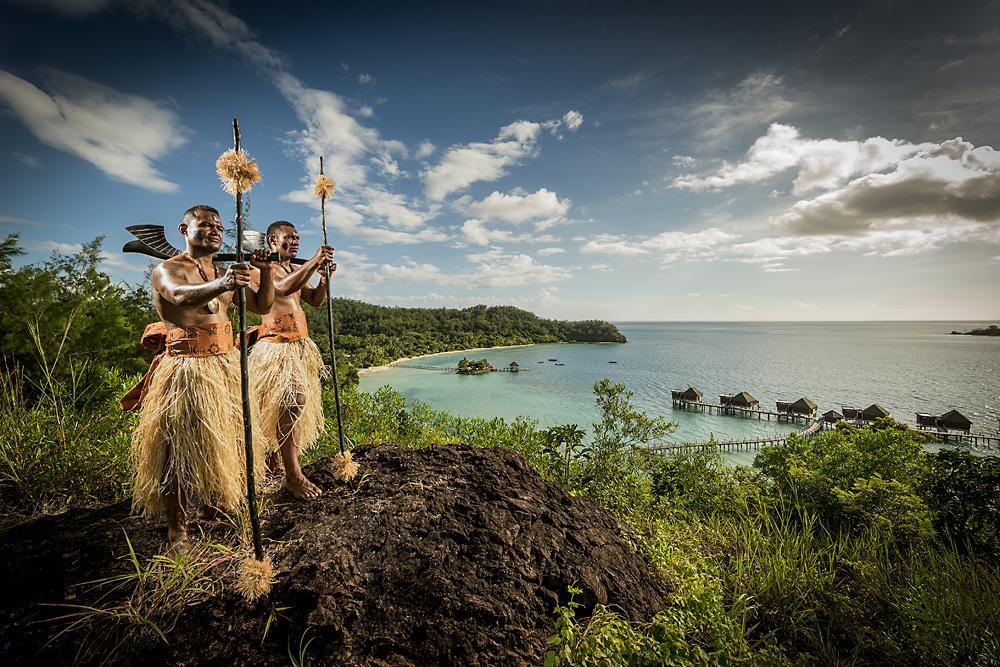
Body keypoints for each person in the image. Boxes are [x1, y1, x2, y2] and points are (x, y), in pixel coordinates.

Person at [127, 205, 274, 551]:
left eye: (219, 226)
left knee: (228, 438)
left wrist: (264, 271)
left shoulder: (222, 272)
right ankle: (177, 528)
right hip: (187, 369)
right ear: (184, 229)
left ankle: (213, 500)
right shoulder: (167, 269)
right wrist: (223, 282)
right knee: (175, 450)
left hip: (225, 365)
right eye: (205, 225)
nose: (215, 231)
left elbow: (262, 307)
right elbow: (179, 296)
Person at [247, 220, 334, 499]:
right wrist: (315, 260)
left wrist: (323, 279)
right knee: (292, 400)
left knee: (285, 408)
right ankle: (293, 476)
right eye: (288, 237)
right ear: (272, 240)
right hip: (276, 347)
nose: (294, 241)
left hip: (299, 346)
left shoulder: (293, 269)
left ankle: (276, 462)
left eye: (297, 237)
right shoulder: (260, 269)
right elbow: (281, 290)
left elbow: (314, 300)